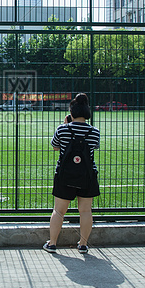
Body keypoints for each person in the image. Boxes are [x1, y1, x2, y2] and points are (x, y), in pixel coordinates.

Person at [43, 93, 100, 254]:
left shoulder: (62, 129)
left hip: (65, 175)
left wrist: (65, 125)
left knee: (59, 211)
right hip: (87, 175)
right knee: (86, 210)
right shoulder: (94, 132)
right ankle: (82, 244)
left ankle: (52, 243)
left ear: (71, 112)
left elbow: (55, 146)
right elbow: (94, 147)